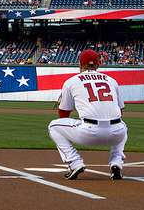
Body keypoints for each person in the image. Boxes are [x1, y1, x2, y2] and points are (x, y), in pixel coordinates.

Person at [48, 49, 128, 180]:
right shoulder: (112, 81)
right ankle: (116, 162)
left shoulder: (71, 81)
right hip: (116, 133)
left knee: (53, 126)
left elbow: (63, 113)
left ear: (80, 64)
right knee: (122, 125)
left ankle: (75, 163)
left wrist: (72, 131)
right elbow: (121, 112)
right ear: (98, 64)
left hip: (88, 133)